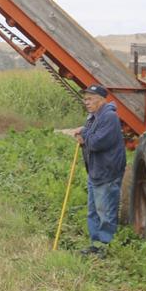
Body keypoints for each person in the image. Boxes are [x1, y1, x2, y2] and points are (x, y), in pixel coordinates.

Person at [60, 84, 127, 255]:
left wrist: (84, 137)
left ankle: (105, 246)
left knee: (105, 210)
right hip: (95, 171)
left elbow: (97, 142)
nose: (86, 102)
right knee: (93, 211)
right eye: (85, 99)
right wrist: (83, 130)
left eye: (90, 99)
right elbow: (90, 133)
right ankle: (95, 243)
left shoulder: (109, 117)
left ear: (101, 100)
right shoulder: (94, 116)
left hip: (107, 171)